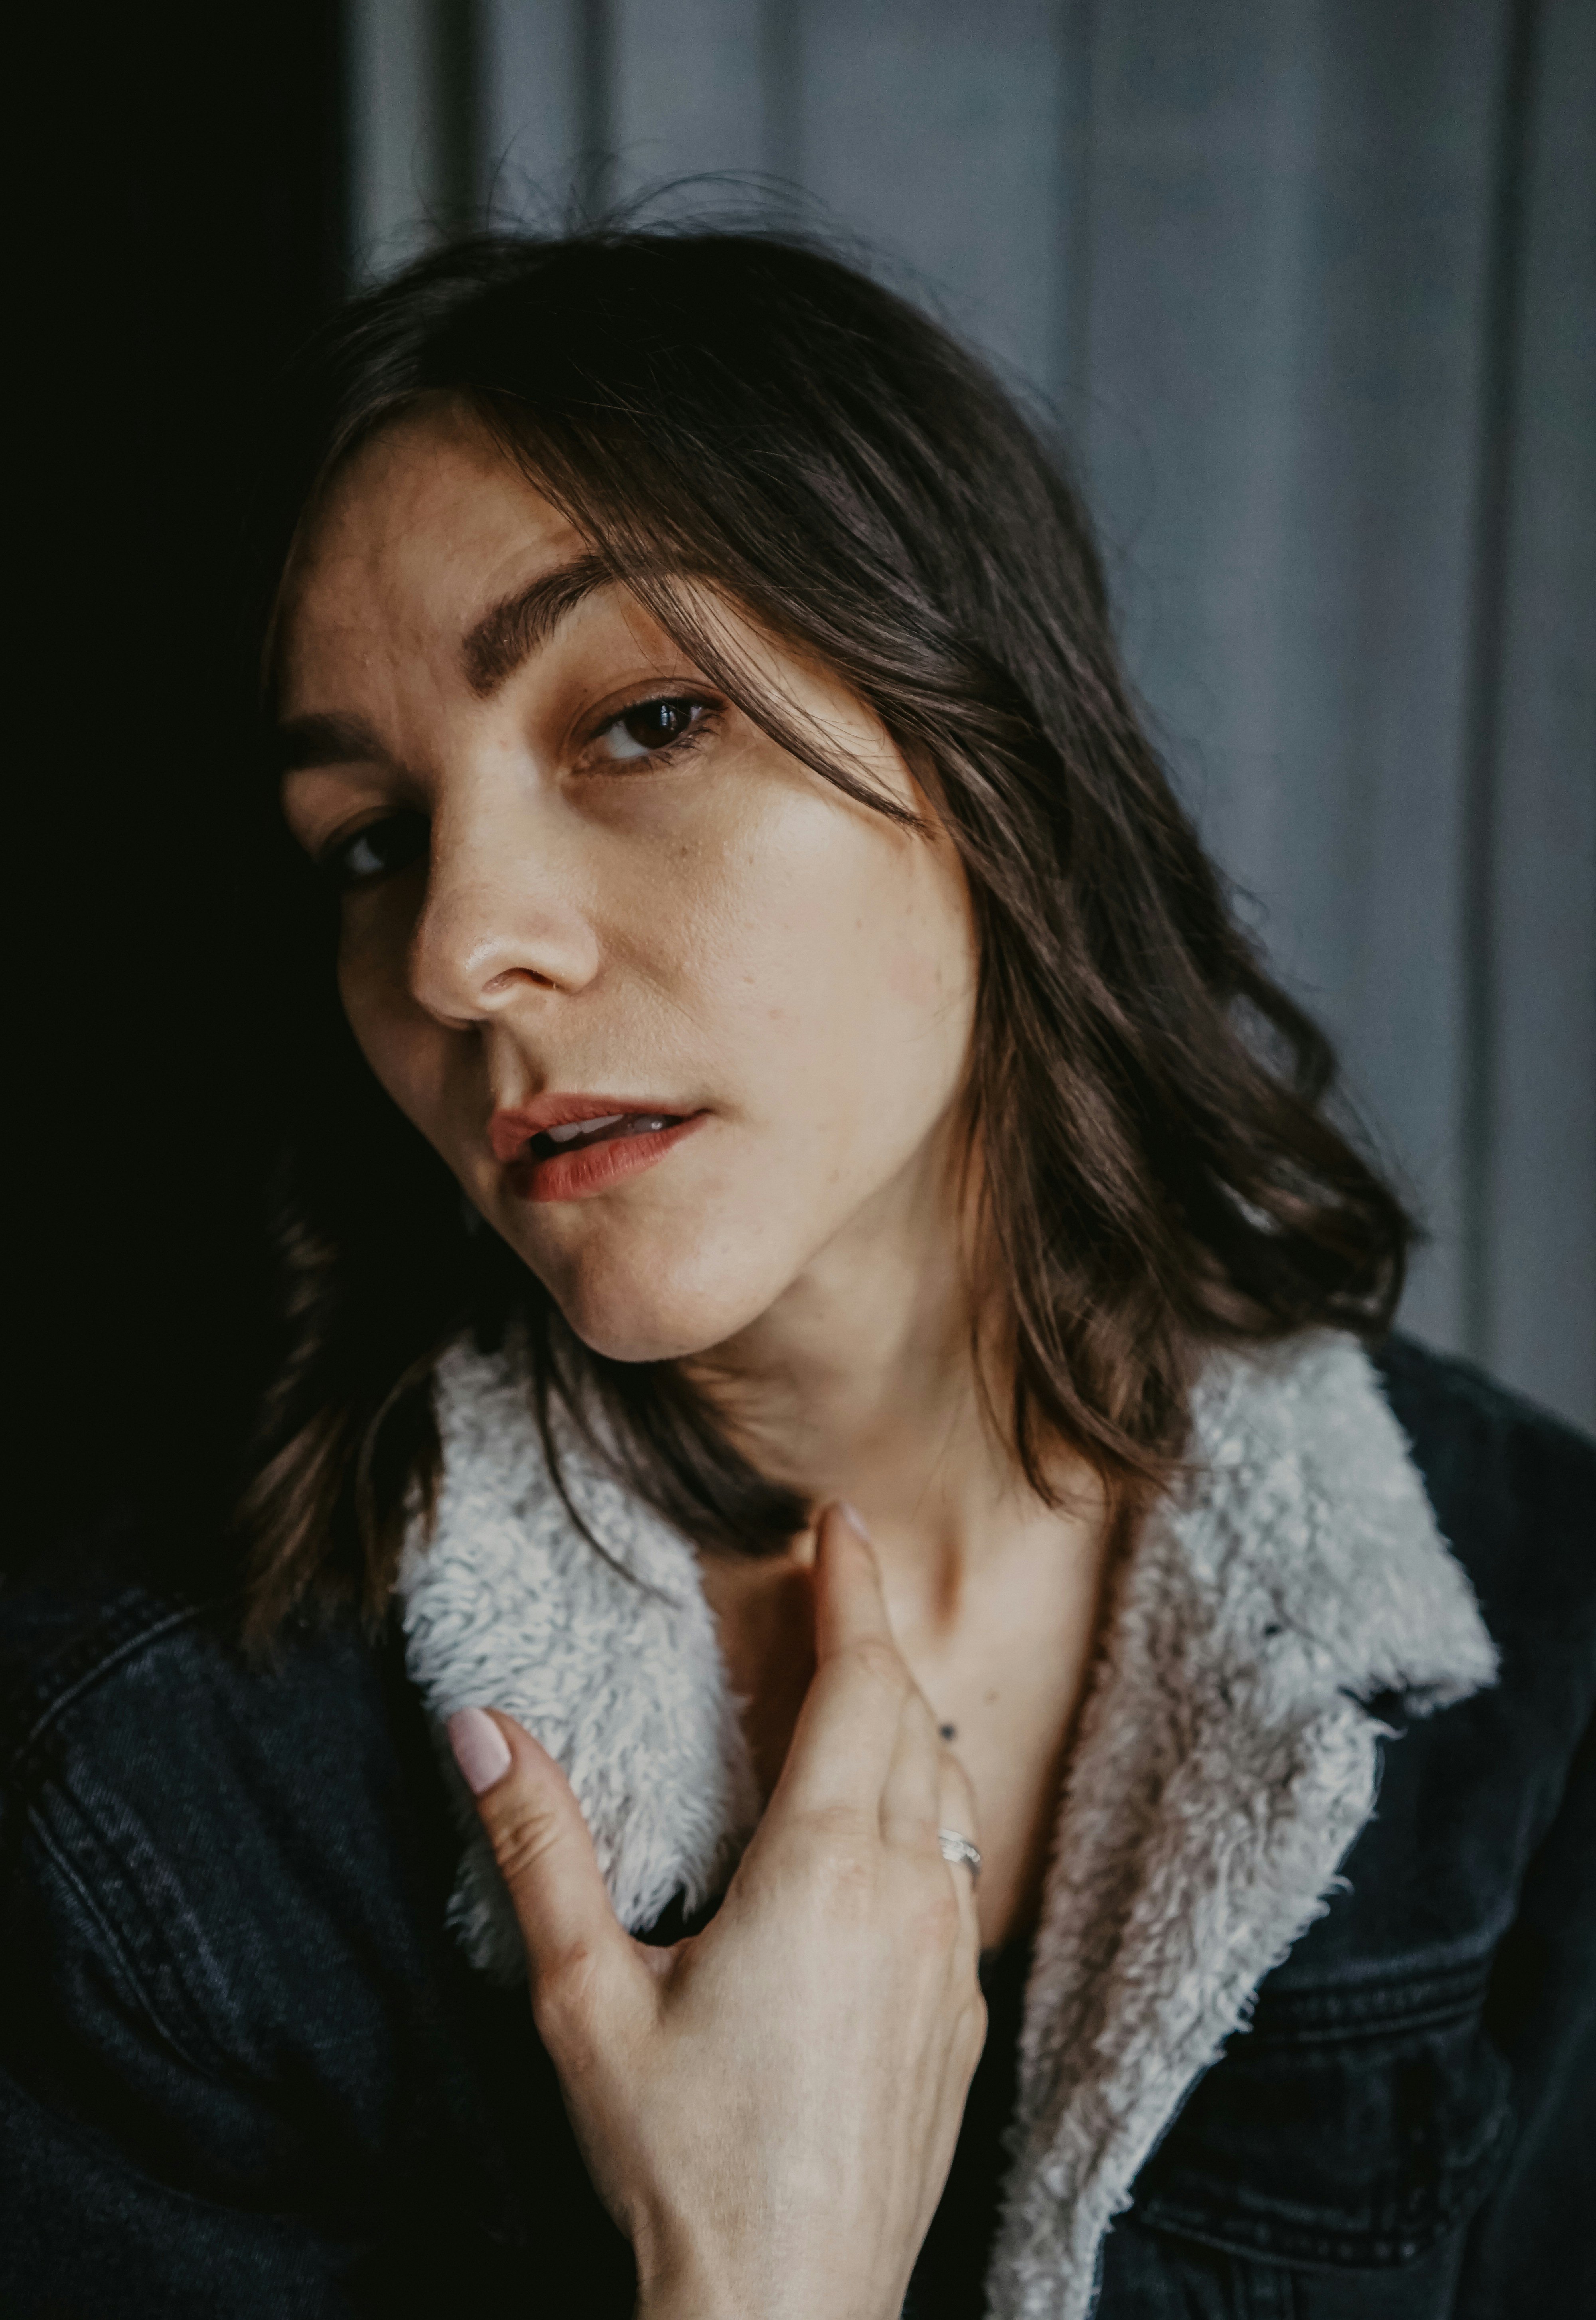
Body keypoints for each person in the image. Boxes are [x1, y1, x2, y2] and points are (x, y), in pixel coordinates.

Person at [1, 227, 1591, 2320]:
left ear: (993, 757)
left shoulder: (1544, 1646)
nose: (461, 950)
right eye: (370, 841)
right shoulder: (166, 1798)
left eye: (644, 719)